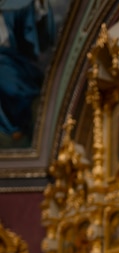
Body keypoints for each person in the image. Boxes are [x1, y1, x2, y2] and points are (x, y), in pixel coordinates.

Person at [0, 0, 55, 146]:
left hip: (12, 62)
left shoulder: (10, 17)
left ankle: (18, 125)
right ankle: (10, 126)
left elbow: (28, 17)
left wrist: (39, 3)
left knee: (13, 85)